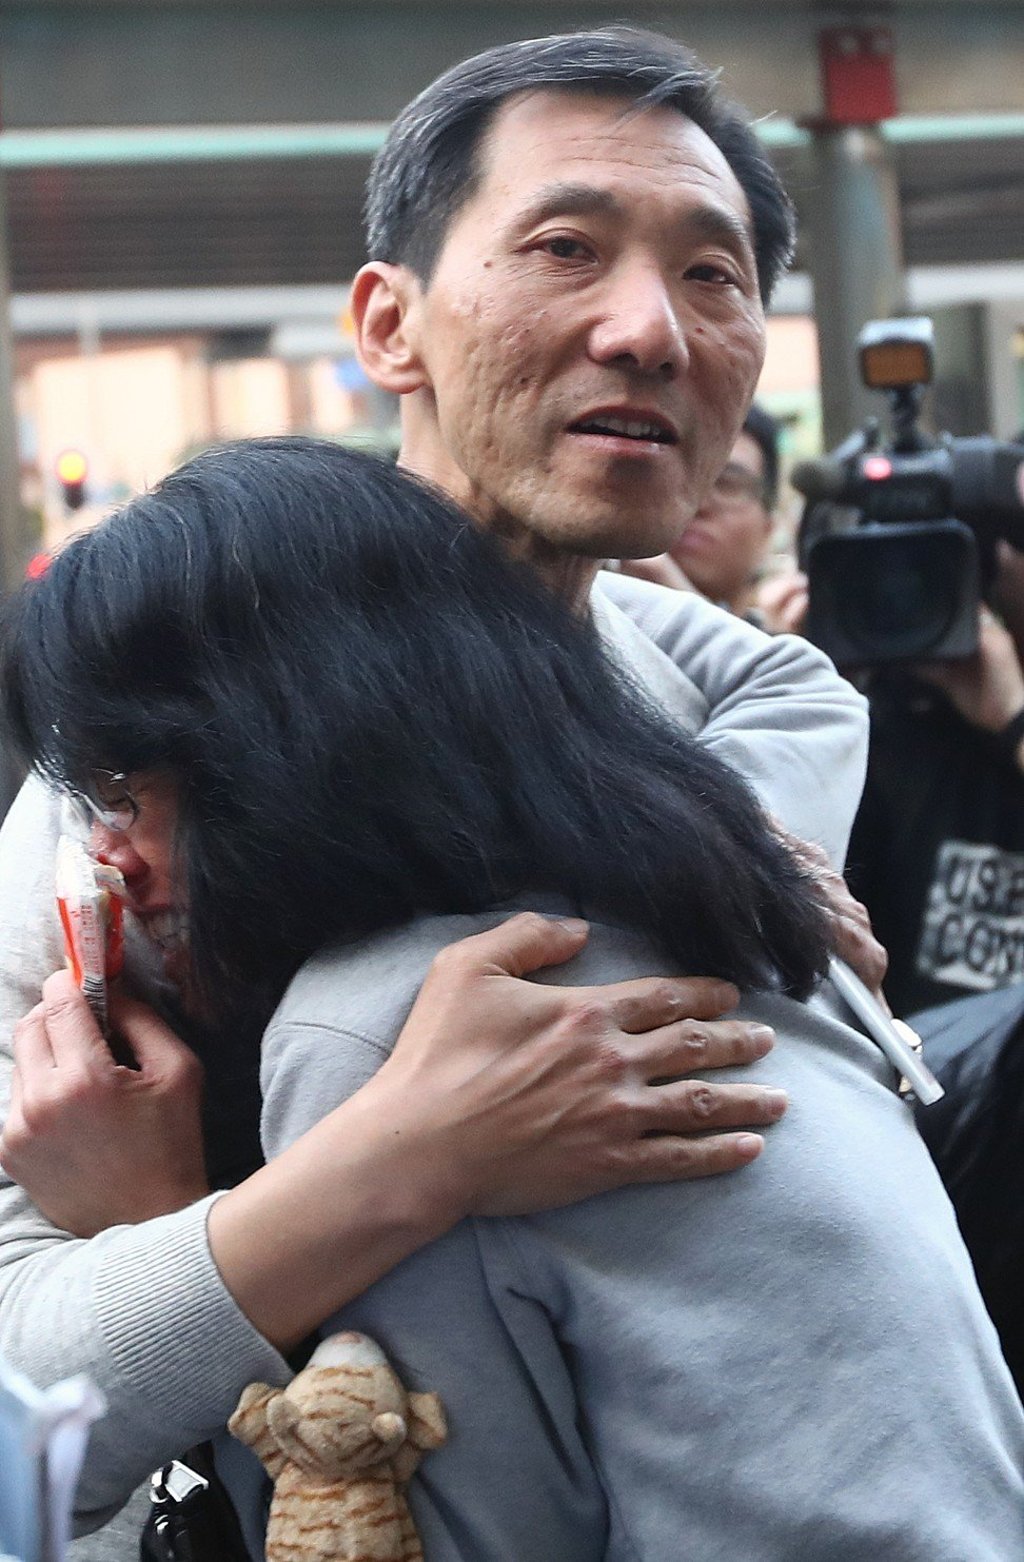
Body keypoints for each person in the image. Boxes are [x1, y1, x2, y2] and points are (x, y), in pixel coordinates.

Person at [0, 26, 877, 1550]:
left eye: (716, 275)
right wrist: (386, 1162)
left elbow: (794, 686)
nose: (649, 330)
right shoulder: (120, 807)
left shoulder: (692, 691)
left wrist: (708, 851)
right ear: (387, 325)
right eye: (565, 247)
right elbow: (24, 1414)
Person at [4, 437, 1021, 1562]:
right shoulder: (712, 902)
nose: (103, 861)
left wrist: (167, 1220)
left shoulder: (406, 1026)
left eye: (120, 793)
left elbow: (372, 1516)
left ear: (298, 747)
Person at [619, 403, 781, 620]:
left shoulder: (794, 644)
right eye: (673, 476)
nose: (698, 505)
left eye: (727, 484)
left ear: (768, 530)